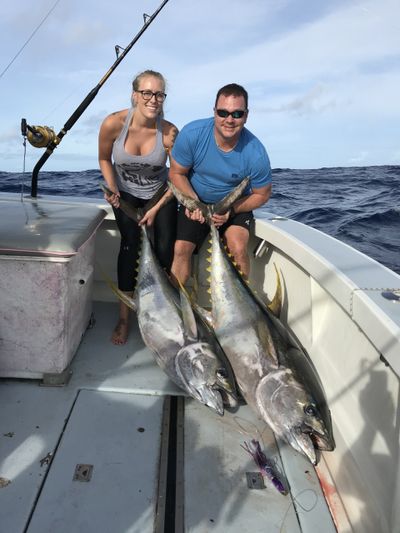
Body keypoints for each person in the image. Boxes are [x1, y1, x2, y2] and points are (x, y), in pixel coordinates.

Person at [99, 70, 178, 345]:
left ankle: (159, 312)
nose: (153, 99)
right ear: (135, 95)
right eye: (147, 93)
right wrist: (113, 188)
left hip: (159, 194)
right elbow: (104, 159)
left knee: (165, 248)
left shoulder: (169, 133)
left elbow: (178, 177)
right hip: (126, 194)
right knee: (129, 246)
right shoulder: (113, 124)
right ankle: (124, 317)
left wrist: (156, 208)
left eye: (159, 94)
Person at [169, 83, 272, 284]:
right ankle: (179, 308)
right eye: (223, 112)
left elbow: (262, 194)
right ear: (214, 112)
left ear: (246, 115)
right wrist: (193, 203)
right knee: (181, 249)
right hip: (195, 201)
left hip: (233, 206)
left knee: (238, 247)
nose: (229, 120)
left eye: (237, 114)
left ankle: (236, 312)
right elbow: (176, 173)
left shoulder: (256, 153)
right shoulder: (192, 134)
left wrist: (230, 211)